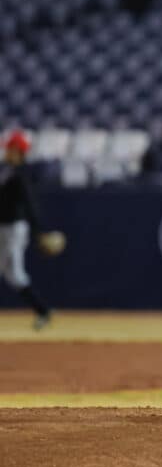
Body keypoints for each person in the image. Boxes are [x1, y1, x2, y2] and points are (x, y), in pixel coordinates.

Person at [0, 131, 65, 330]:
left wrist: (39, 232)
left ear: (18, 151)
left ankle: (43, 311)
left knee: (16, 274)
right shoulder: (7, 171)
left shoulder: (20, 174)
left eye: (10, 148)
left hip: (14, 229)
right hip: (3, 227)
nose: (6, 151)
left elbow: (29, 205)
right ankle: (43, 311)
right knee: (13, 275)